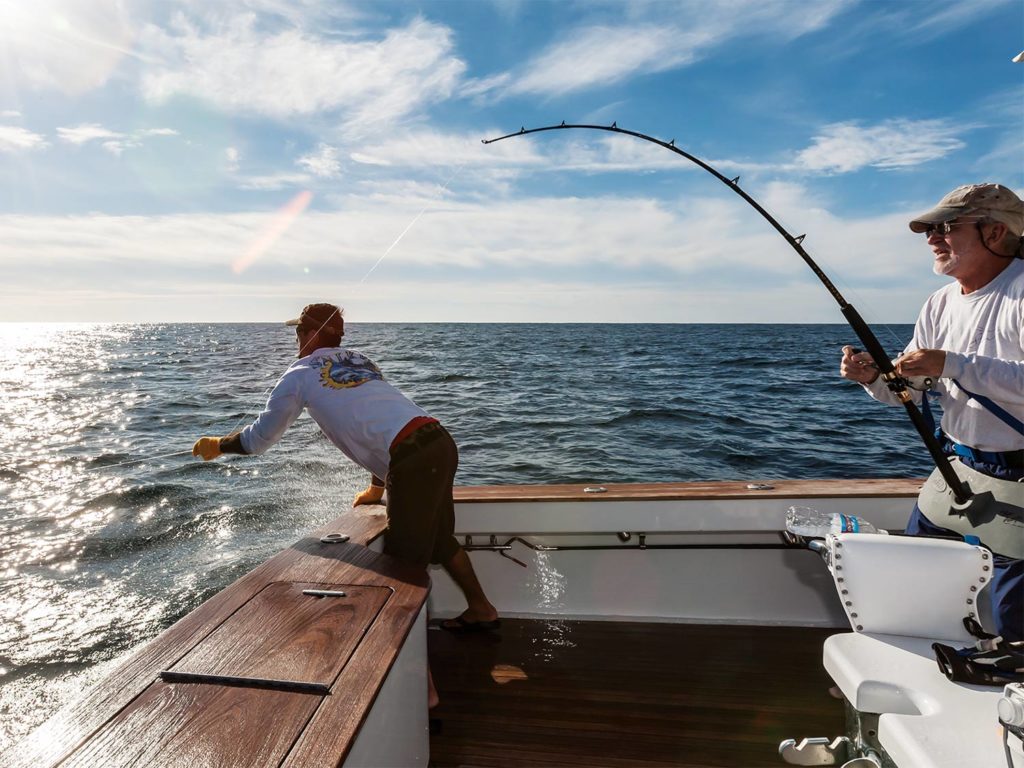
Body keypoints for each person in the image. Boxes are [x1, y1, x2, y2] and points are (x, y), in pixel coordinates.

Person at [192, 302, 500, 706]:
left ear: (308, 334)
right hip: (438, 442)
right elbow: (381, 425)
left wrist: (220, 445)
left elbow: (258, 440)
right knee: (441, 541)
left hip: (412, 461)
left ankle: (420, 688)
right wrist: (377, 486)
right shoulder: (360, 361)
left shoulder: (299, 376)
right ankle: (481, 608)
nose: (296, 339)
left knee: (400, 575)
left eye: (298, 332)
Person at [840, 183, 1024, 641]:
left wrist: (953, 363)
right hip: (956, 469)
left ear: (996, 231)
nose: (931, 238)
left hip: (1018, 482)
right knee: (912, 589)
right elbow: (912, 389)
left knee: (1012, 623)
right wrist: (874, 379)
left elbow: (951, 369)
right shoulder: (939, 303)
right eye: (929, 230)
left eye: (946, 227)